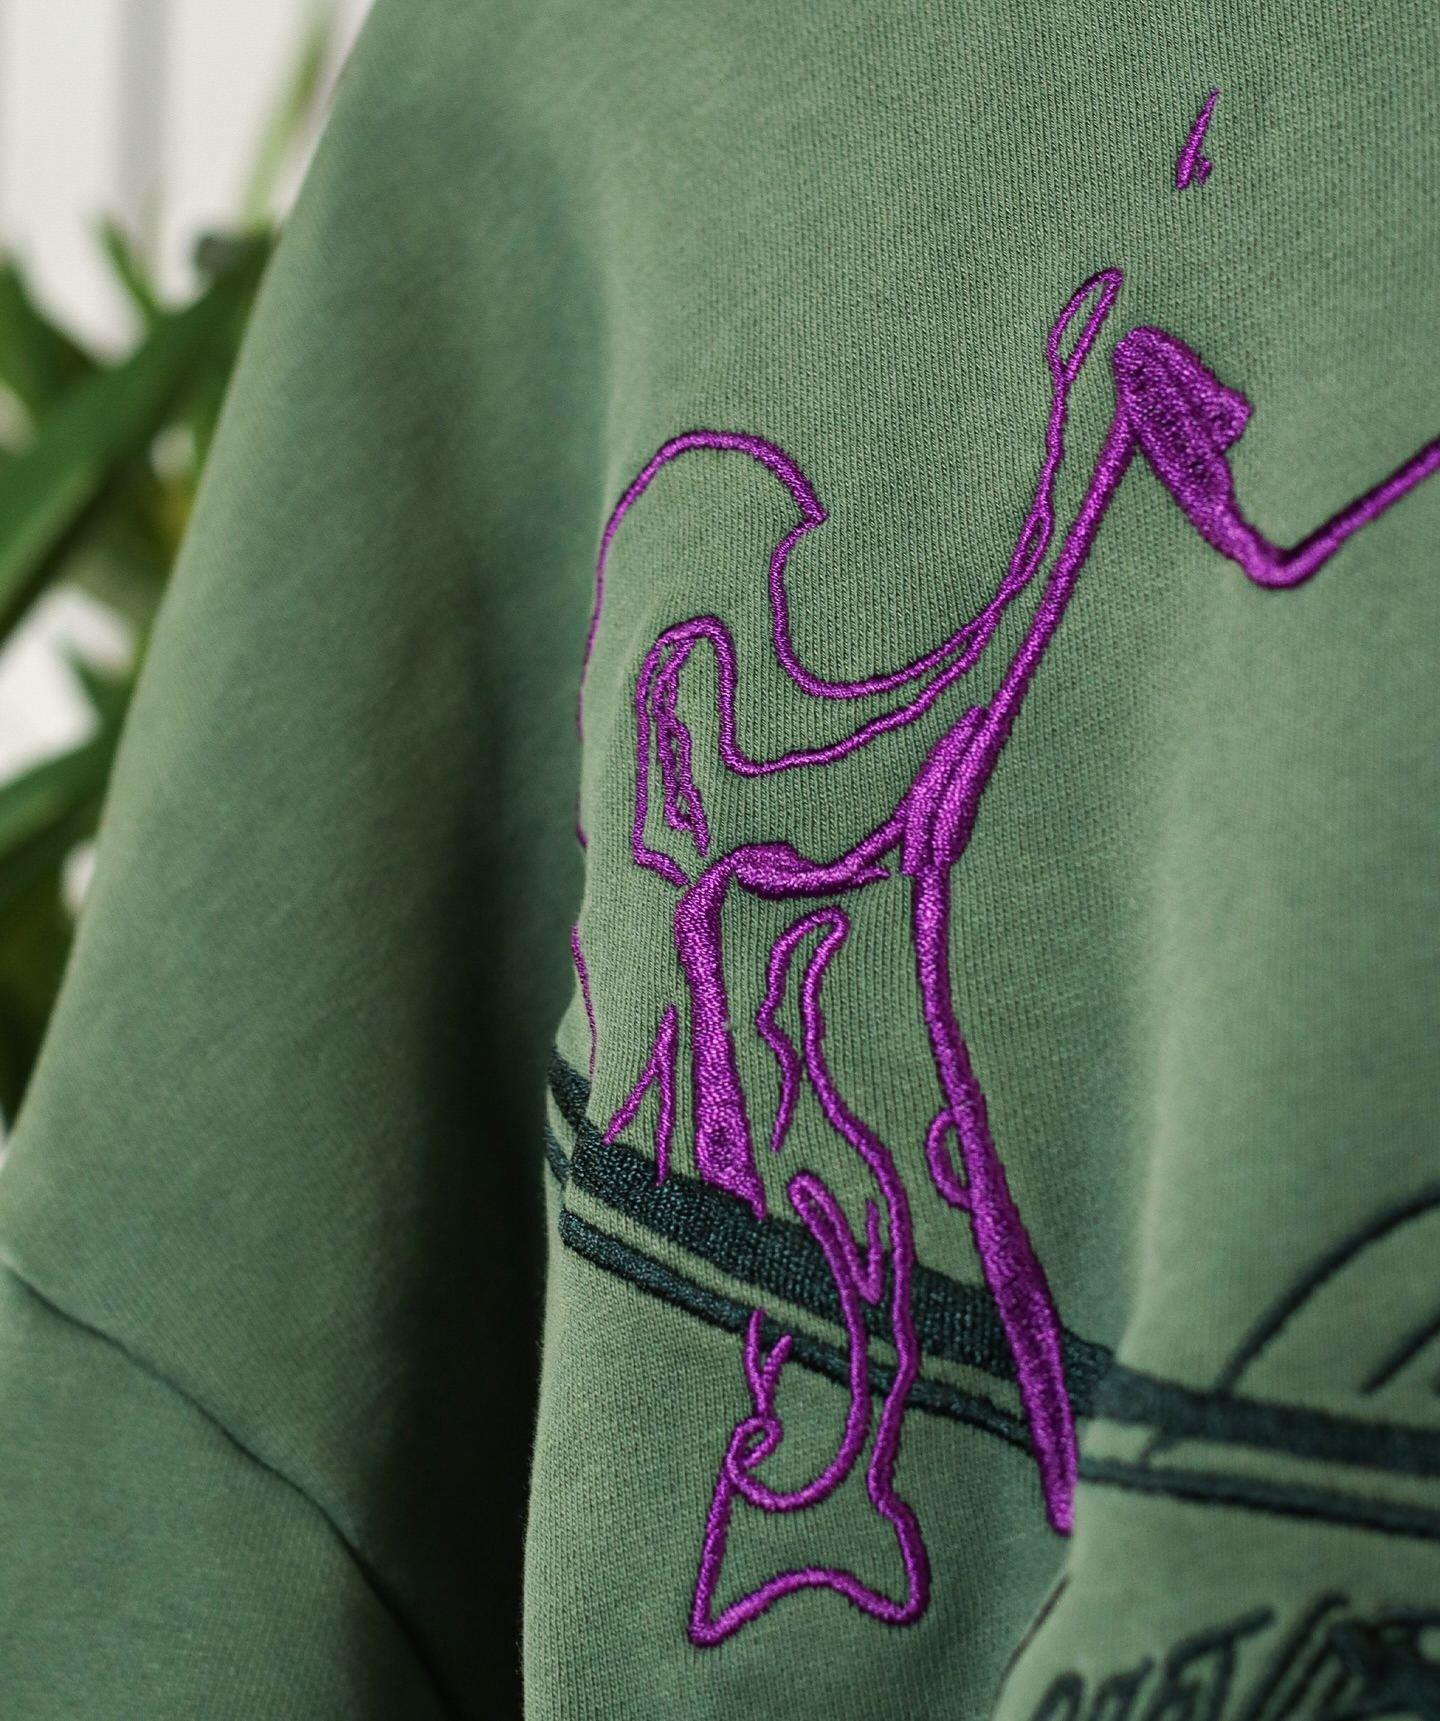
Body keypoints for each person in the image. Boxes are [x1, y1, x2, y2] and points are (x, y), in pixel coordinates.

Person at [1, 4, 1436, 1717]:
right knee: (887, 1232)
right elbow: (192, 1457)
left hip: (881, 985)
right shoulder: (646, 61)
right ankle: (819, 1487)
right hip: (825, 1020)